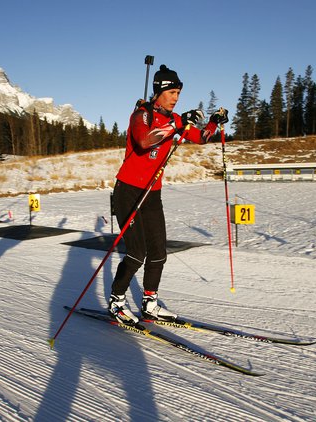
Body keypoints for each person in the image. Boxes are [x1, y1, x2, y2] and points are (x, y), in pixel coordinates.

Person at [108, 64, 229, 325]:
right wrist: (177, 126)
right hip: (128, 190)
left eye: (178, 93)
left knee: (159, 252)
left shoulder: (175, 120)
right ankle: (116, 302)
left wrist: (213, 123)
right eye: (172, 92)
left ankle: (149, 303)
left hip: (153, 192)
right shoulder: (142, 114)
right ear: (160, 91)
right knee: (136, 253)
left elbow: (201, 137)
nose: (176, 97)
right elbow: (143, 141)